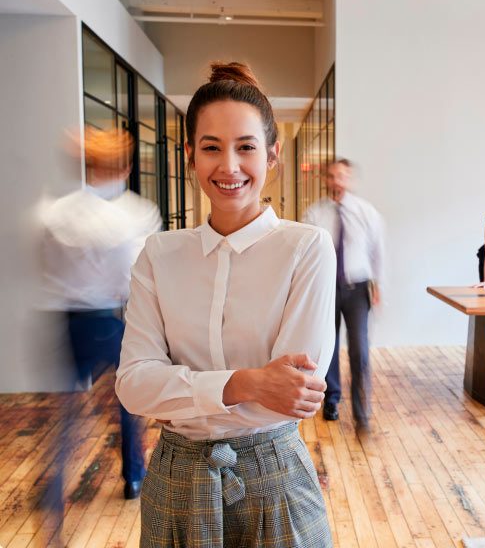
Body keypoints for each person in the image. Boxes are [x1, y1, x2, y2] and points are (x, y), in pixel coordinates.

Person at [116, 62, 335, 547]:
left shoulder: (306, 248)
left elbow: (296, 390)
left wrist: (182, 392)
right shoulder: (159, 254)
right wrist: (248, 382)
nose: (229, 166)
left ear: (273, 155)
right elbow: (133, 385)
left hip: (275, 477)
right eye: (211, 148)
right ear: (190, 156)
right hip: (176, 480)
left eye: (246, 148)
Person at [39, 127, 161, 503]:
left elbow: (46, 267)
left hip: (69, 320)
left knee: (67, 413)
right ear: (125, 168)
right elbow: (137, 275)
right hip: (112, 319)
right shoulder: (137, 215)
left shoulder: (56, 213)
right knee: (127, 402)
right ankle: (134, 477)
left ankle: (56, 485)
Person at [303, 159, 384, 435]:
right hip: (326, 289)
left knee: (360, 350)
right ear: (326, 179)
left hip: (358, 288)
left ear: (349, 180)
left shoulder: (365, 212)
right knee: (329, 346)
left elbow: (377, 251)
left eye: (342, 176)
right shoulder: (315, 213)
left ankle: (362, 414)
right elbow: (307, 255)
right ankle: (332, 400)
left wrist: (378, 285)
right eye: (333, 176)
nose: (337, 181)